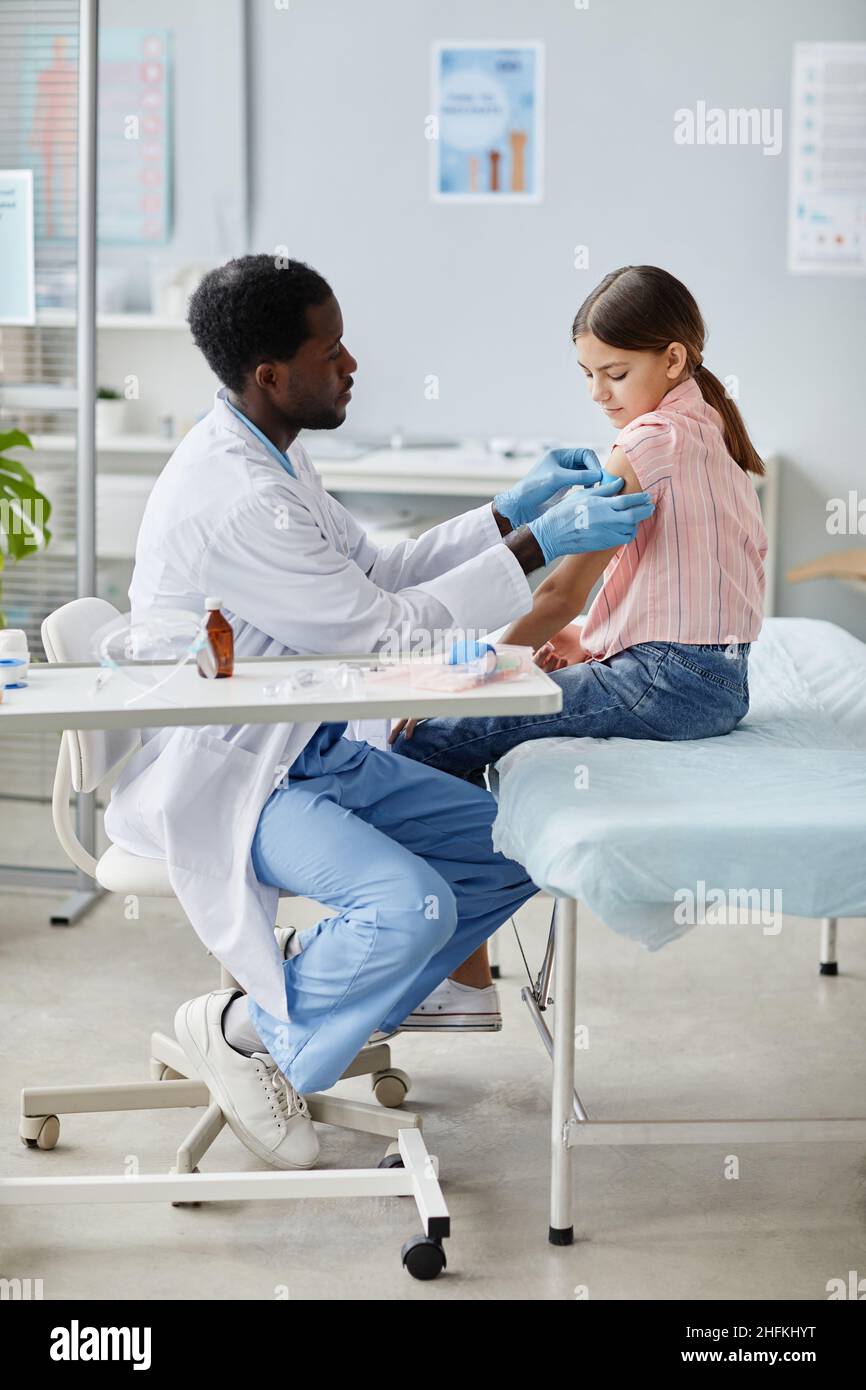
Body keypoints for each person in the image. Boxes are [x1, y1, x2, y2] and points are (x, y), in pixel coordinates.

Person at [103, 254, 653, 1171]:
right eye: (331, 350)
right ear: (271, 375)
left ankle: (315, 993)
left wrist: (506, 511)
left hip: (309, 745)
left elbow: (378, 571)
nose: (352, 362)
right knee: (416, 903)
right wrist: (538, 546)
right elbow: (387, 631)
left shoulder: (275, 453)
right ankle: (242, 1030)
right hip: (240, 768)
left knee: (516, 843)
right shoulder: (238, 498)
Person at [392, 262, 767, 775]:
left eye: (615, 374)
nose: (598, 392)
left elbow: (560, 594)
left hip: (661, 683)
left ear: (674, 359)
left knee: (425, 734)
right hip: (723, 685)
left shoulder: (645, 440)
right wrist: (593, 637)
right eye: (588, 374)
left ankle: (485, 854)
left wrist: (478, 676)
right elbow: (684, 589)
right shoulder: (713, 430)